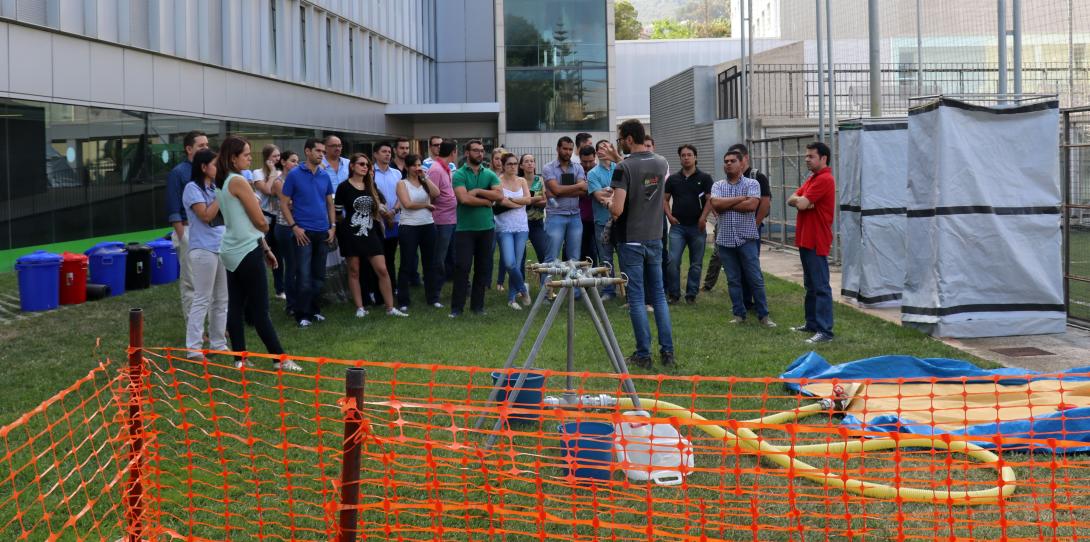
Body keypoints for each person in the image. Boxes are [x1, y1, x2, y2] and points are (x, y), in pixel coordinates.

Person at [214, 136, 300, 372]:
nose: (250, 158)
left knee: (236, 305)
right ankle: (280, 359)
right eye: (246, 155)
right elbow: (259, 220)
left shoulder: (222, 180)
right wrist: (264, 230)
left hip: (232, 249)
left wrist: (265, 248)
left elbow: (242, 219)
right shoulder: (238, 181)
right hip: (245, 249)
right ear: (233, 158)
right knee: (260, 309)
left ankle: (240, 359)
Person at [608, 119, 676, 370]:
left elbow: (617, 209)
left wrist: (608, 202)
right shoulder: (661, 162)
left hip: (631, 239)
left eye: (620, 139)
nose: (619, 144)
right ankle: (667, 352)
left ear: (628, 139)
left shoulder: (623, 168)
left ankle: (643, 354)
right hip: (655, 236)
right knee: (658, 296)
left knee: (637, 298)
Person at [705, 150, 776, 328]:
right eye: (726, 161)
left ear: (741, 163)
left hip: (747, 239)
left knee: (755, 278)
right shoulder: (717, 185)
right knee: (733, 279)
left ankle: (764, 316)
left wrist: (726, 203)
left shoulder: (753, 183)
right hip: (725, 241)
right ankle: (739, 314)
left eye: (732, 161)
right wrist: (740, 199)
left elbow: (751, 206)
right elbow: (716, 205)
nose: (728, 164)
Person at [335, 153, 407, 318]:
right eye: (361, 164)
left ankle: (390, 308)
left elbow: (380, 206)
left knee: (382, 269)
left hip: (371, 232)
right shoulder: (343, 187)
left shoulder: (370, 185)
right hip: (351, 232)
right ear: (352, 166)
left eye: (367, 165)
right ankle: (360, 308)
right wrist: (344, 226)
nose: (365, 167)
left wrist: (387, 214)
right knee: (354, 270)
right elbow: (338, 213)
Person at [279, 137, 336, 328]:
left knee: (318, 276)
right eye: (318, 151)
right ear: (307, 151)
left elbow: (330, 203)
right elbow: (283, 203)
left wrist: (332, 226)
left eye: (323, 152)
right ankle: (302, 315)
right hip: (303, 232)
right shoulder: (294, 174)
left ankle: (314, 310)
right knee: (303, 276)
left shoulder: (324, 175)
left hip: (323, 231)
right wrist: (294, 227)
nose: (322, 154)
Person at [788, 141, 837, 344]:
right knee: (810, 285)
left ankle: (825, 331)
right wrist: (802, 201)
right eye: (806, 156)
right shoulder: (812, 178)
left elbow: (801, 203)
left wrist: (803, 201)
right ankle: (812, 324)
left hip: (816, 240)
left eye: (811, 156)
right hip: (805, 239)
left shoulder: (824, 179)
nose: (806, 159)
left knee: (820, 286)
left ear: (823, 158)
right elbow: (792, 199)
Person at [181, 148, 227, 359]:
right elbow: (206, 216)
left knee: (222, 299)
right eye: (215, 164)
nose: (218, 168)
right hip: (203, 249)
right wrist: (221, 195)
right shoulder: (192, 188)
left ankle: (219, 344)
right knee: (202, 298)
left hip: (221, 247)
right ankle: (194, 348)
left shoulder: (214, 187)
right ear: (203, 167)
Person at [450, 140, 503, 317]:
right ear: (467, 153)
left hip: (486, 228)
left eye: (482, 150)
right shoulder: (459, 174)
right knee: (462, 267)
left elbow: (500, 195)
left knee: (482, 268)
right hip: (465, 229)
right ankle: (457, 308)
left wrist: (479, 191)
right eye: (475, 150)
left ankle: (477, 307)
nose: (480, 153)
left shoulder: (489, 174)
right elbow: (463, 199)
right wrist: (486, 202)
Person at [165, 130, 209, 324]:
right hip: (188, 230)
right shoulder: (178, 173)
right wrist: (183, 237)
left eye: (207, 145)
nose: (206, 148)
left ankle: (213, 325)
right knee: (191, 282)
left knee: (209, 281)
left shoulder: (209, 170)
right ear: (189, 149)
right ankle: (195, 328)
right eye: (201, 145)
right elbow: (173, 209)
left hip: (208, 231)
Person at [664, 144, 714, 305]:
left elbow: (710, 200)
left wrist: (703, 218)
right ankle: (674, 294)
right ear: (680, 158)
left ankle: (691, 294)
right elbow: (664, 199)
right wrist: (669, 216)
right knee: (673, 261)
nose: (686, 158)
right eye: (683, 155)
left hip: (697, 227)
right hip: (678, 227)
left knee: (696, 263)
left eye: (689, 155)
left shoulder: (705, 178)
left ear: (695, 157)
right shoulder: (673, 179)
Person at [396, 154, 440, 311]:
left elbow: (436, 193)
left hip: (428, 225)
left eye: (419, 165)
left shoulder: (424, 181)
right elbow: (407, 204)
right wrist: (426, 206)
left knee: (430, 263)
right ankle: (403, 301)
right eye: (414, 165)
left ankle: (433, 298)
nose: (417, 168)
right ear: (407, 167)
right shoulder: (402, 183)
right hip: (409, 226)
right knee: (406, 263)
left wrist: (425, 178)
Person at [494, 152, 533, 309]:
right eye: (509, 164)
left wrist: (511, 200)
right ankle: (523, 290)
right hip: (504, 227)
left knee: (516, 263)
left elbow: (528, 199)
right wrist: (518, 203)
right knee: (509, 263)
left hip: (521, 227)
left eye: (515, 163)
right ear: (503, 166)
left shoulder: (522, 180)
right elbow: (501, 201)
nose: (513, 166)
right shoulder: (498, 181)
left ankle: (512, 299)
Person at [543, 136, 588, 264]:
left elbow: (584, 191)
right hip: (556, 215)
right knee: (551, 258)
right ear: (558, 149)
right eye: (565, 148)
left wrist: (559, 191)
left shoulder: (578, 167)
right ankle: (546, 279)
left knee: (574, 259)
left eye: (570, 149)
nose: (567, 152)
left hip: (575, 216)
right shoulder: (548, 168)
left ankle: (572, 279)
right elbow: (557, 190)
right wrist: (578, 186)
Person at [252, 144, 286, 299]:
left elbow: (278, 191)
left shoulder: (280, 173)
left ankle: (280, 289)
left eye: (279, 156)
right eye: (274, 156)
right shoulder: (257, 173)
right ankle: (258, 289)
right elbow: (267, 190)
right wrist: (272, 173)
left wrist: (275, 175)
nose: (277, 159)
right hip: (263, 215)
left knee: (278, 254)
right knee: (260, 253)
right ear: (267, 158)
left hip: (276, 217)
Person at [587, 140, 618, 300]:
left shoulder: (620, 168)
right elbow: (599, 196)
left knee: (625, 257)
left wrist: (609, 191)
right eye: (600, 148)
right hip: (602, 221)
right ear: (597, 153)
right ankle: (608, 290)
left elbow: (628, 190)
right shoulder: (592, 174)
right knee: (605, 258)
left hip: (620, 219)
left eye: (606, 147)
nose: (603, 150)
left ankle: (629, 289)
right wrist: (616, 191)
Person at [428, 141, 459, 297]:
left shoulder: (445, 168)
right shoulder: (436, 169)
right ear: (453, 152)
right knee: (439, 257)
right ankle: (435, 291)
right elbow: (431, 194)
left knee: (452, 255)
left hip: (451, 218)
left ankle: (454, 284)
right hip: (441, 220)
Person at [373, 142, 403, 298]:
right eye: (384, 151)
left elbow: (401, 195)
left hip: (394, 220)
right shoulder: (370, 172)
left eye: (389, 152)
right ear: (375, 154)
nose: (387, 154)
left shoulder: (396, 173)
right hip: (377, 221)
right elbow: (371, 195)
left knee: (390, 257)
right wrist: (384, 213)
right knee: (377, 257)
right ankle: (375, 291)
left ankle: (393, 287)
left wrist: (393, 211)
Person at [272, 151, 300, 314]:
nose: (296, 164)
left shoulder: (296, 179)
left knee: (298, 265)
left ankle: (299, 299)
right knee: (291, 265)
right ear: (283, 162)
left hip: (297, 225)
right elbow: (289, 203)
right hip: (284, 227)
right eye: (293, 161)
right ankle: (291, 305)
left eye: (297, 161)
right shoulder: (279, 182)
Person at [519, 153, 550, 266]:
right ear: (521, 166)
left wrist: (528, 201)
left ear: (535, 164)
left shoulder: (540, 180)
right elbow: (516, 202)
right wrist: (536, 199)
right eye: (526, 161)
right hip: (520, 222)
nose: (530, 163)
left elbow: (545, 202)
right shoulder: (518, 181)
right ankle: (520, 278)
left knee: (543, 254)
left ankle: (544, 277)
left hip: (537, 222)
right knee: (520, 256)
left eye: (532, 161)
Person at [577, 145, 600, 264]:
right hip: (581, 218)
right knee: (582, 251)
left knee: (595, 251)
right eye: (584, 162)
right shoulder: (577, 171)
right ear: (580, 158)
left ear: (595, 157)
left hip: (597, 218)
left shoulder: (599, 171)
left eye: (590, 161)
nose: (587, 165)